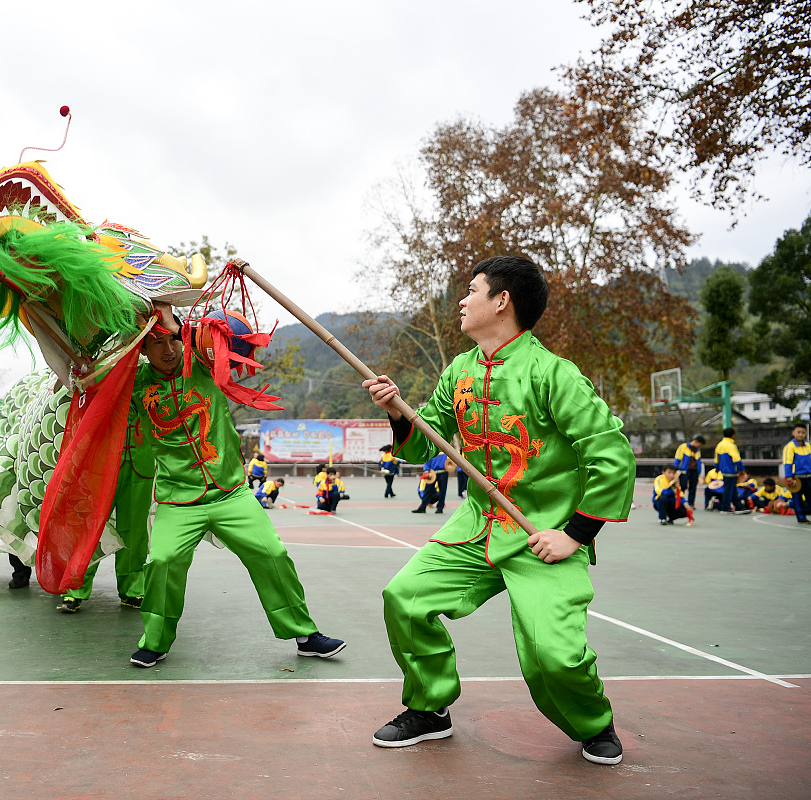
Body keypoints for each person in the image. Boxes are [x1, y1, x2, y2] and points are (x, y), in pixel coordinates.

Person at [363, 256, 633, 766]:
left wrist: (575, 533)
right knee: (405, 597)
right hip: (476, 526)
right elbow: (426, 447)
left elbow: (612, 455)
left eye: (471, 291)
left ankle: (594, 723)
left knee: (553, 656)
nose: (462, 301)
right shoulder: (459, 371)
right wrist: (398, 412)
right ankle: (430, 707)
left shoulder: (555, 374)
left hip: (544, 536)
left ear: (501, 301)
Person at [128, 314, 345, 668]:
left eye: (173, 339)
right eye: (156, 342)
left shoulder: (204, 363)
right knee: (162, 561)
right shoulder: (134, 383)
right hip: (177, 498)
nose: (168, 349)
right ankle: (155, 641)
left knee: (272, 553)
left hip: (231, 491)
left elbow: (224, 339)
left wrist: (173, 318)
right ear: (143, 348)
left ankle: (305, 635)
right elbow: (84, 374)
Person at [56, 406, 155, 612]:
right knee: (89, 525)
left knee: (135, 531)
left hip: (140, 458)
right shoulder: (97, 373)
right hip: (102, 459)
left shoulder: (149, 373)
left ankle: (132, 589)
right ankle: (75, 587)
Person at [781, 422, 811, 525]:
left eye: (803, 432)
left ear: (806, 433)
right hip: (797, 478)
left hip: (809, 477)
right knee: (797, 499)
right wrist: (789, 478)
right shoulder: (790, 447)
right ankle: (801, 518)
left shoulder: (808, 446)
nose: (801, 434)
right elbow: (787, 463)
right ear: (793, 433)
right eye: (798, 432)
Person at [715, 428, 749, 514]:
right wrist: (741, 469)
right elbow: (737, 459)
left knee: (732, 489)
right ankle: (725, 508)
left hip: (723, 470)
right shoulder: (731, 446)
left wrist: (717, 468)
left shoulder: (719, 445)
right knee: (728, 490)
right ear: (733, 435)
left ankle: (739, 507)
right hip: (731, 470)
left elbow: (716, 459)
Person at [672, 435, 705, 507]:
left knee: (693, 487)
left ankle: (691, 503)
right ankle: (680, 502)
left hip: (694, 471)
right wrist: (675, 470)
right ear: (696, 442)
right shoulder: (683, 447)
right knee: (682, 486)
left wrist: (699, 473)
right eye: (699, 445)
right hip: (684, 471)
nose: (699, 447)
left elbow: (698, 461)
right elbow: (677, 459)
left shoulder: (697, 450)